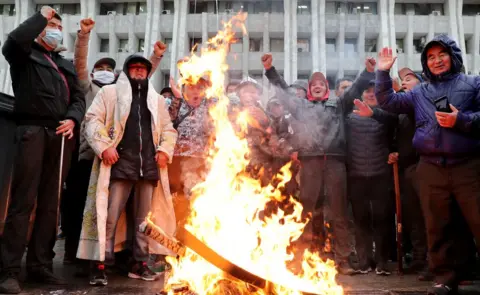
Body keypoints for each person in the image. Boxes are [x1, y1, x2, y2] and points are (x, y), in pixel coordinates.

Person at [375, 35, 480, 295]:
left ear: (453, 56)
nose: (436, 60)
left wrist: (462, 120)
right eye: (431, 57)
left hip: (468, 166)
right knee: (437, 225)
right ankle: (445, 279)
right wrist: (382, 72)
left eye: (441, 55)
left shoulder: (473, 83)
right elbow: (388, 102)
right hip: (431, 167)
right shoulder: (419, 91)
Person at [61, 18, 167, 268]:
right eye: (102, 68)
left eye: (110, 67)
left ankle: (127, 260)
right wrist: (84, 37)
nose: (105, 71)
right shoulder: (96, 90)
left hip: (132, 165)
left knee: (136, 217)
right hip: (94, 159)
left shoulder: (143, 96)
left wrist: (155, 55)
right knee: (92, 213)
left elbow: (143, 71)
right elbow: (80, 68)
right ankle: (86, 259)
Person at [262, 53, 376, 275]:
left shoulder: (339, 104)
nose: (316, 86)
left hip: (334, 163)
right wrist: (270, 70)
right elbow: (284, 92)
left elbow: (354, 90)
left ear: (327, 88)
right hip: (309, 163)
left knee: (339, 212)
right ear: (309, 89)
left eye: (320, 84)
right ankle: (300, 258)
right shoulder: (300, 106)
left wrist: (368, 72)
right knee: (305, 211)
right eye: (312, 84)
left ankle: (342, 260)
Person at [0, 6, 86, 293]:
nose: (55, 30)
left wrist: (73, 119)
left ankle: (40, 265)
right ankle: (9, 269)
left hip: (61, 136)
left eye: (59, 27)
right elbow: (12, 40)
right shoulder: (24, 54)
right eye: (51, 25)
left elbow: (78, 97)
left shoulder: (64, 63)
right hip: (32, 131)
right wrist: (41, 16)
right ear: (39, 29)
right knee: (23, 201)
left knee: (51, 204)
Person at [77, 55, 177, 286]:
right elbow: (92, 120)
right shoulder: (109, 93)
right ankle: (100, 264)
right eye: (135, 68)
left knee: (145, 222)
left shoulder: (157, 100)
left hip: (148, 168)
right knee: (108, 217)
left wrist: (164, 151)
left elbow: (169, 130)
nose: (140, 72)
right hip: (118, 165)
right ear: (127, 71)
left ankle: (139, 263)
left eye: (144, 69)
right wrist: (104, 148)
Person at [346, 81, 397, 276]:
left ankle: (383, 261)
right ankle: (364, 261)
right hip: (356, 175)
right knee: (360, 220)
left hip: (381, 175)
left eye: (374, 91)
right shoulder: (349, 118)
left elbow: (396, 131)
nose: (370, 94)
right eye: (366, 91)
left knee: (383, 219)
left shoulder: (386, 116)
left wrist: (395, 152)